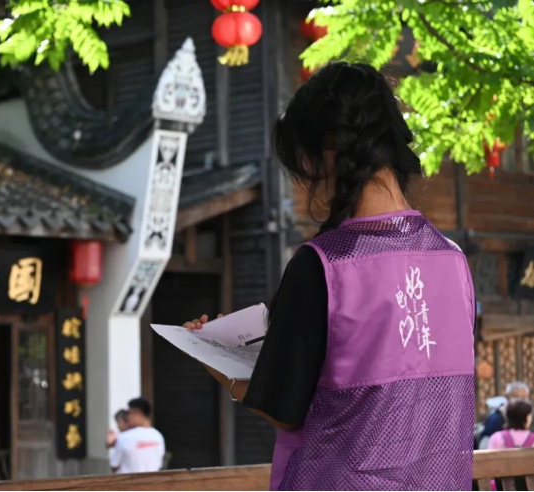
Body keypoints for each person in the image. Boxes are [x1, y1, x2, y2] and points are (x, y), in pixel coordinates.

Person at [185, 62, 476, 491]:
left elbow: (283, 409)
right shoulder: (453, 259)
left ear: (328, 150)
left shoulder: (323, 264)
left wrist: (213, 358)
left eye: (304, 162)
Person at [110, 398, 165, 474]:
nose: (128, 417)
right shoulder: (158, 436)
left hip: (129, 481)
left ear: (138, 413)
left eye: (129, 413)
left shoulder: (124, 437)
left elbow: (114, 466)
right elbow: (159, 463)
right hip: (153, 480)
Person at [479, 382, 531, 449]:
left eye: (524, 397)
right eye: (516, 396)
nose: (520, 400)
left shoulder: (530, 417)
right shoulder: (495, 419)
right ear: (507, 397)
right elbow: (485, 446)